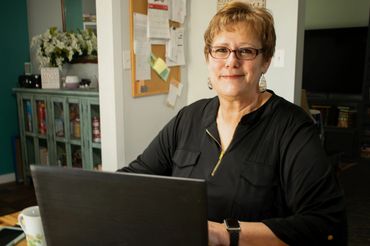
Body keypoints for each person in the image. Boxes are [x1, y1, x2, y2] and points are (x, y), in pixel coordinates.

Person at [118, 2, 347, 245]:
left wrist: (223, 233)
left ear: (265, 61)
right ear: (208, 56)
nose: (231, 61)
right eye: (221, 50)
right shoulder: (188, 118)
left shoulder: (291, 127)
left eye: (246, 51)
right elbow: (133, 180)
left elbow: (327, 226)